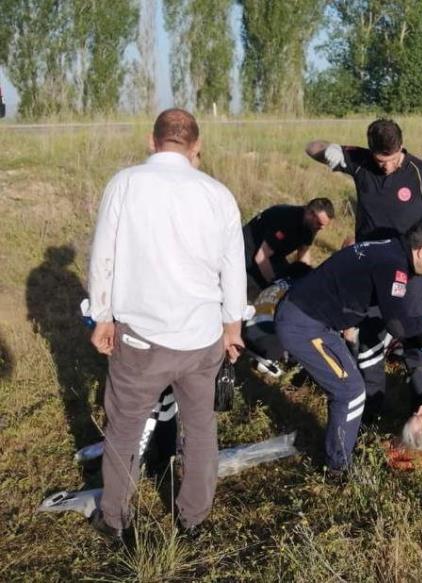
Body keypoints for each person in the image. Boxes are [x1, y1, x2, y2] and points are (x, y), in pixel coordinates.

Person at [86, 109, 246, 539]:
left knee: (124, 428)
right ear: (196, 147)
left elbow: (103, 255)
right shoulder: (218, 194)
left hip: (141, 338)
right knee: (200, 429)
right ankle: (193, 518)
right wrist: (233, 328)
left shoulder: (125, 184)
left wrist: (102, 316)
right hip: (202, 339)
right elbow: (234, 270)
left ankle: (115, 519)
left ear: (151, 141)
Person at [305, 120, 422, 414]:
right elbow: (310, 147)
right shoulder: (360, 163)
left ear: (401, 148)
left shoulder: (420, 172)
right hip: (371, 270)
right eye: (380, 160)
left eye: (391, 161)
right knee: (370, 337)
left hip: (411, 267)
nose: (386, 167)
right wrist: (333, 153)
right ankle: (373, 406)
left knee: (416, 331)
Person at [274, 218, 422, 474]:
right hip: (303, 324)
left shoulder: (390, 248)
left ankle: (343, 446)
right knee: (350, 391)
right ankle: (338, 469)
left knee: (350, 386)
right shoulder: (395, 267)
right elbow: (398, 326)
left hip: (315, 318)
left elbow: (388, 314)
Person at [243, 197, 334, 289]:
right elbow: (261, 257)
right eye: (319, 223)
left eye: (323, 225)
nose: (321, 228)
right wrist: (275, 286)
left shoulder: (310, 226)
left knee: (290, 279)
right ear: (310, 214)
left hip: (274, 255)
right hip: (247, 251)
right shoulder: (288, 219)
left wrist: (305, 280)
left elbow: (303, 252)